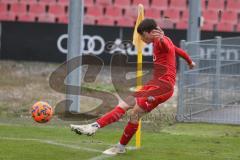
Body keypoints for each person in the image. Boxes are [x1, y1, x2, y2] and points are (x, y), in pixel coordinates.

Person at [70, 18, 196, 155]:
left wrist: (161, 40)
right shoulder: (163, 40)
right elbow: (178, 51)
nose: (141, 39)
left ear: (150, 33)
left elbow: (165, 45)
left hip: (162, 88)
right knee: (125, 103)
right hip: (154, 83)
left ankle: (120, 147)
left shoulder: (161, 42)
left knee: (135, 113)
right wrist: (190, 62)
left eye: (142, 35)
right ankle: (93, 127)